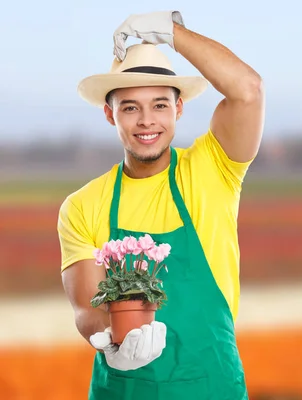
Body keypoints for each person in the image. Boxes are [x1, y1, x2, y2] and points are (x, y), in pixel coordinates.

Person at [57, 10, 264, 400]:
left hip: (211, 387)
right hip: (121, 389)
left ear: (179, 109)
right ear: (109, 114)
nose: (146, 121)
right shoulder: (82, 206)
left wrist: (172, 33)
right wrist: (109, 344)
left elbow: (248, 89)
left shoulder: (212, 169)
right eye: (130, 107)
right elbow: (86, 306)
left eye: (160, 105)